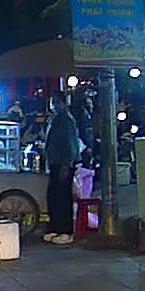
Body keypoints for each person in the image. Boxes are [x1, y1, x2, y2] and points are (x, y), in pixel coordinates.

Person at [43, 93, 80, 245]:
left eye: (57, 102)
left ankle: (66, 230)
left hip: (63, 164)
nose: (54, 105)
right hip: (55, 163)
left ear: (64, 103)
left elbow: (70, 144)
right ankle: (55, 227)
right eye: (53, 102)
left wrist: (66, 165)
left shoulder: (65, 120)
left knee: (63, 197)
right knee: (54, 196)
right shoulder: (56, 119)